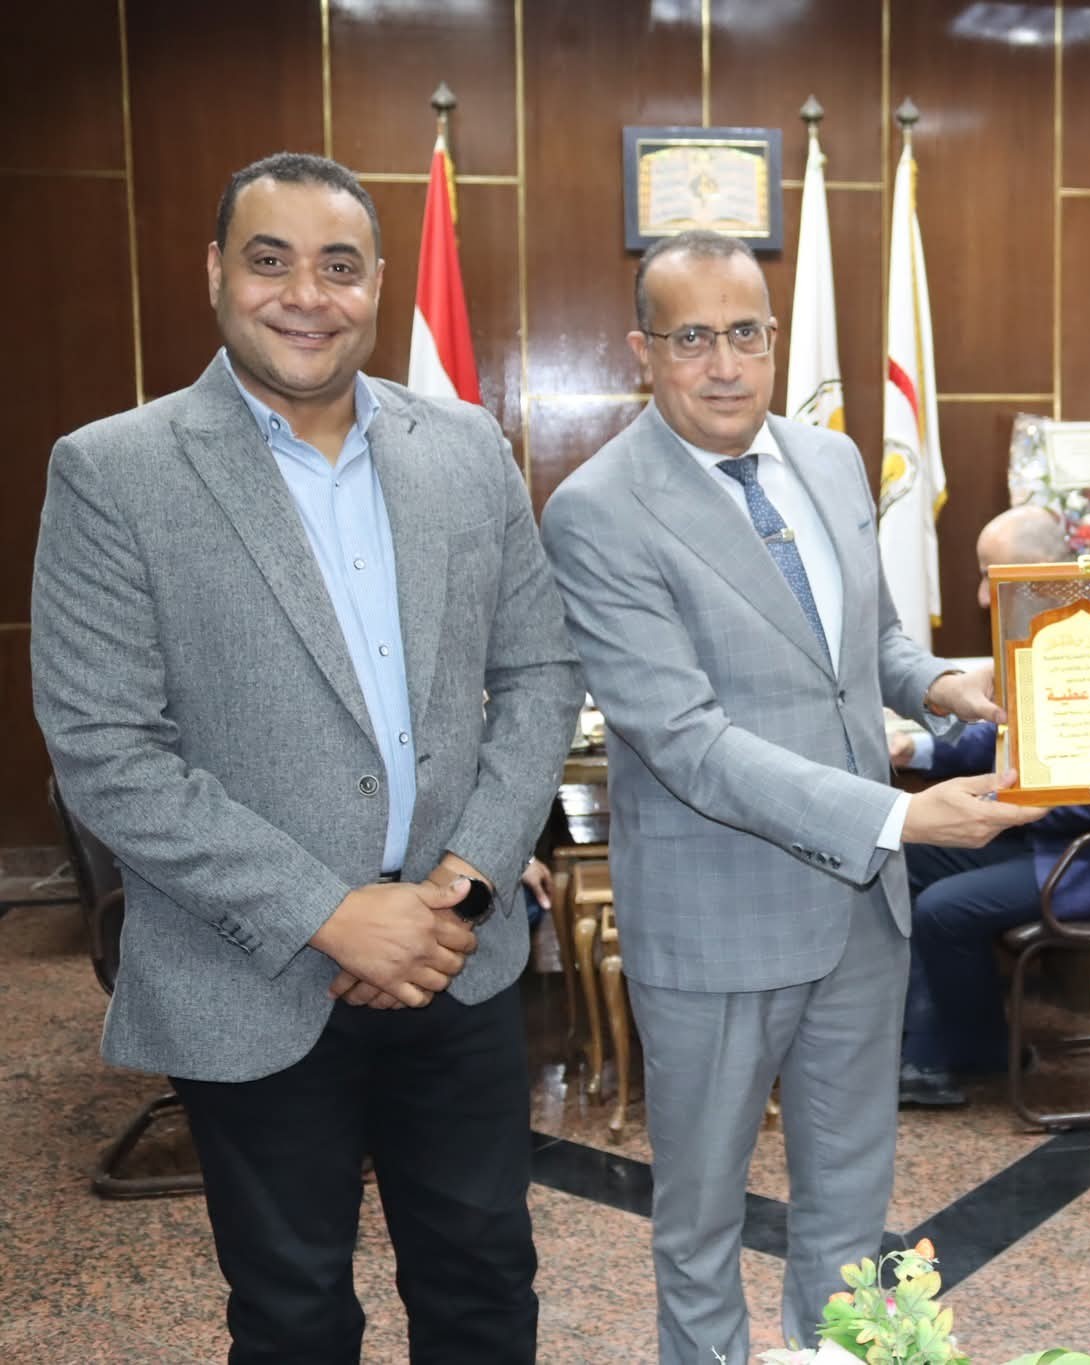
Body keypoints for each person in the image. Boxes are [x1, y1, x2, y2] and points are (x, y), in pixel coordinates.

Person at [31, 152, 582, 1363]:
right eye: (269, 259)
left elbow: (541, 676)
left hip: (459, 960)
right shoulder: (113, 471)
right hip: (251, 976)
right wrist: (330, 915)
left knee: (487, 1287)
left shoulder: (467, 447)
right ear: (215, 272)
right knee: (291, 1318)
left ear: (379, 285)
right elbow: (106, 753)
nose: (306, 295)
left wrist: (462, 883)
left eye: (339, 267)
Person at [538, 229, 1045, 1363]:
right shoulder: (598, 512)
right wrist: (898, 817)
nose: (725, 364)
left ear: (775, 339)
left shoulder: (829, 461)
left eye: (747, 334)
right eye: (693, 338)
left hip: (859, 913)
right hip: (719, 919)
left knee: (850, 1209)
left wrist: (960, 688)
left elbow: (866, 648)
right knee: (703, 1220)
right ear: (643, 350)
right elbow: (684, 740)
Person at [891, 505, 1090, 1107]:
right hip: (1038, 837)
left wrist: (997, 797)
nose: (977, 593)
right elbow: (996, 738)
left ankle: (971, 1052)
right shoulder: (1038, 637)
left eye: (988, 573)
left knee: (943, 909)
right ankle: (928, 1046)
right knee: (898, 856)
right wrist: (911, 748)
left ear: (1044, 574)